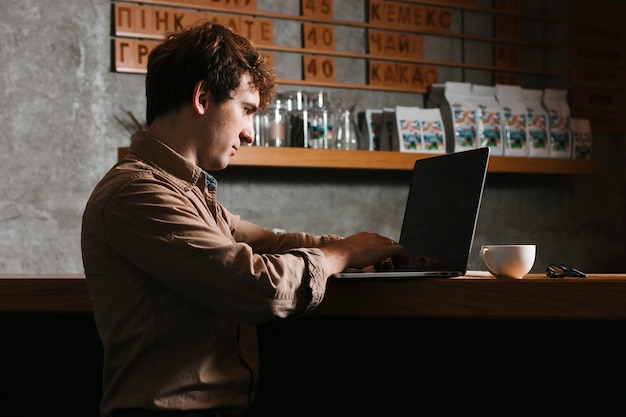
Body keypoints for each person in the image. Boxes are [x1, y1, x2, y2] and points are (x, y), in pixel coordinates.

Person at [81, 21, 410, 417]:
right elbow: (260, 287)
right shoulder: (136, 194)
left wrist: (369, 251)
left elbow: (272, 242)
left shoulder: (189, 193)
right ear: (202, 97)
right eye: (247, 110)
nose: (250, 133)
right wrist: (343, 254)